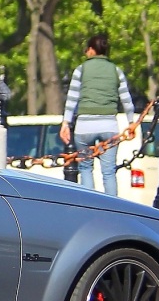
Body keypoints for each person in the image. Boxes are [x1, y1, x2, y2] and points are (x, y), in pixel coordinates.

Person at [59, 33, 137, 196]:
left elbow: (72, 99)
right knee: (108, 172)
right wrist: (131, 122)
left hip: (85, 126)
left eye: (87, 49)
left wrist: (65, 123)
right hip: (109, 126)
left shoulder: (81, 70)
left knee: (86, 168)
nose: (86, 53)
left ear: (92, 50)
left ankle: (89, 207)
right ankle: (113, 211)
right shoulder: (116, 71)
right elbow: (127, 100)